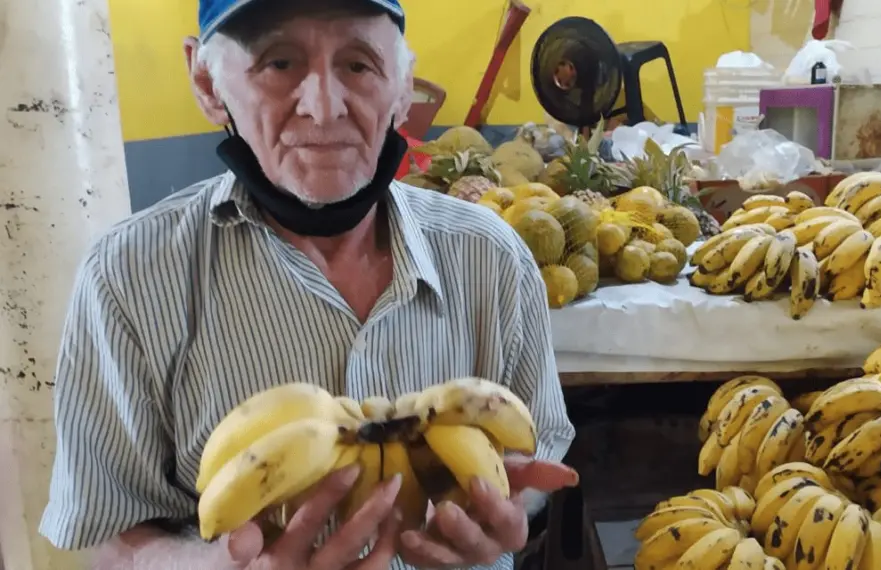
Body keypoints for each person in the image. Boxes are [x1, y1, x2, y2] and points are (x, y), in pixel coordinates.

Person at [38, 0, 577, 567]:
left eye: (358, 64)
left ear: (402, 87)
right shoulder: (127, 277)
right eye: (279, 63)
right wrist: (220, 564)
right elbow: (109, 534)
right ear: (207, 83)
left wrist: (503, 509)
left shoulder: (491, 256)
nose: (324, 108)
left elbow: (532, 455)